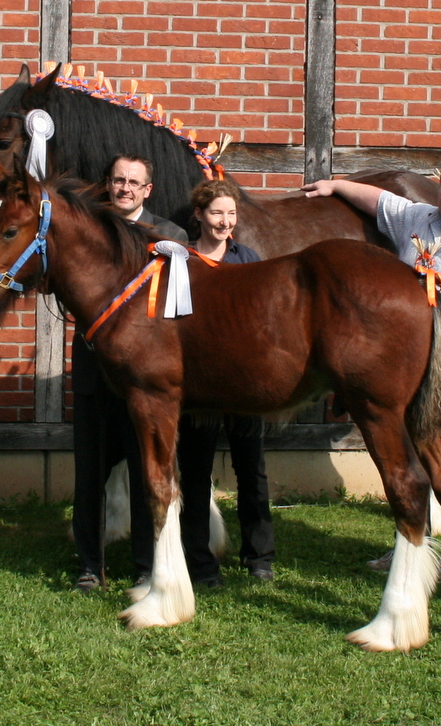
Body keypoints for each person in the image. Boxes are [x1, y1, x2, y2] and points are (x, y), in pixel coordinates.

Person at [303, 154, 441, 579]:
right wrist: (335, 186)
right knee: (408, 461)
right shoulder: (419, 217)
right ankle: (413, 543)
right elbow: (379, 200)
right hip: (403, 373)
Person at [72, 154, 188, 591]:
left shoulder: (170, 237)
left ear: (148, 190)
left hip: (146, 378)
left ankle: (146, 563)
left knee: (147, 471)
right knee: (89, 475)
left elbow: (180, 312)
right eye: (118, 180)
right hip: (93, 367)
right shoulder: (90, 229)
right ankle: (89, 564)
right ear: (109, 184)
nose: (125, 188)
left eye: (133, 182)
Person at [176, 179, 275, 586]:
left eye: (231, 214)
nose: (225, 221)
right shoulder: (180, 259)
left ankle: (260, 557)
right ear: (199, 214)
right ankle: (200, 563)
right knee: (195, 474)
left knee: (252, 469)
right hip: (198, 385)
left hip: (241, 383)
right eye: (217, 212)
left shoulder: (247, 257)